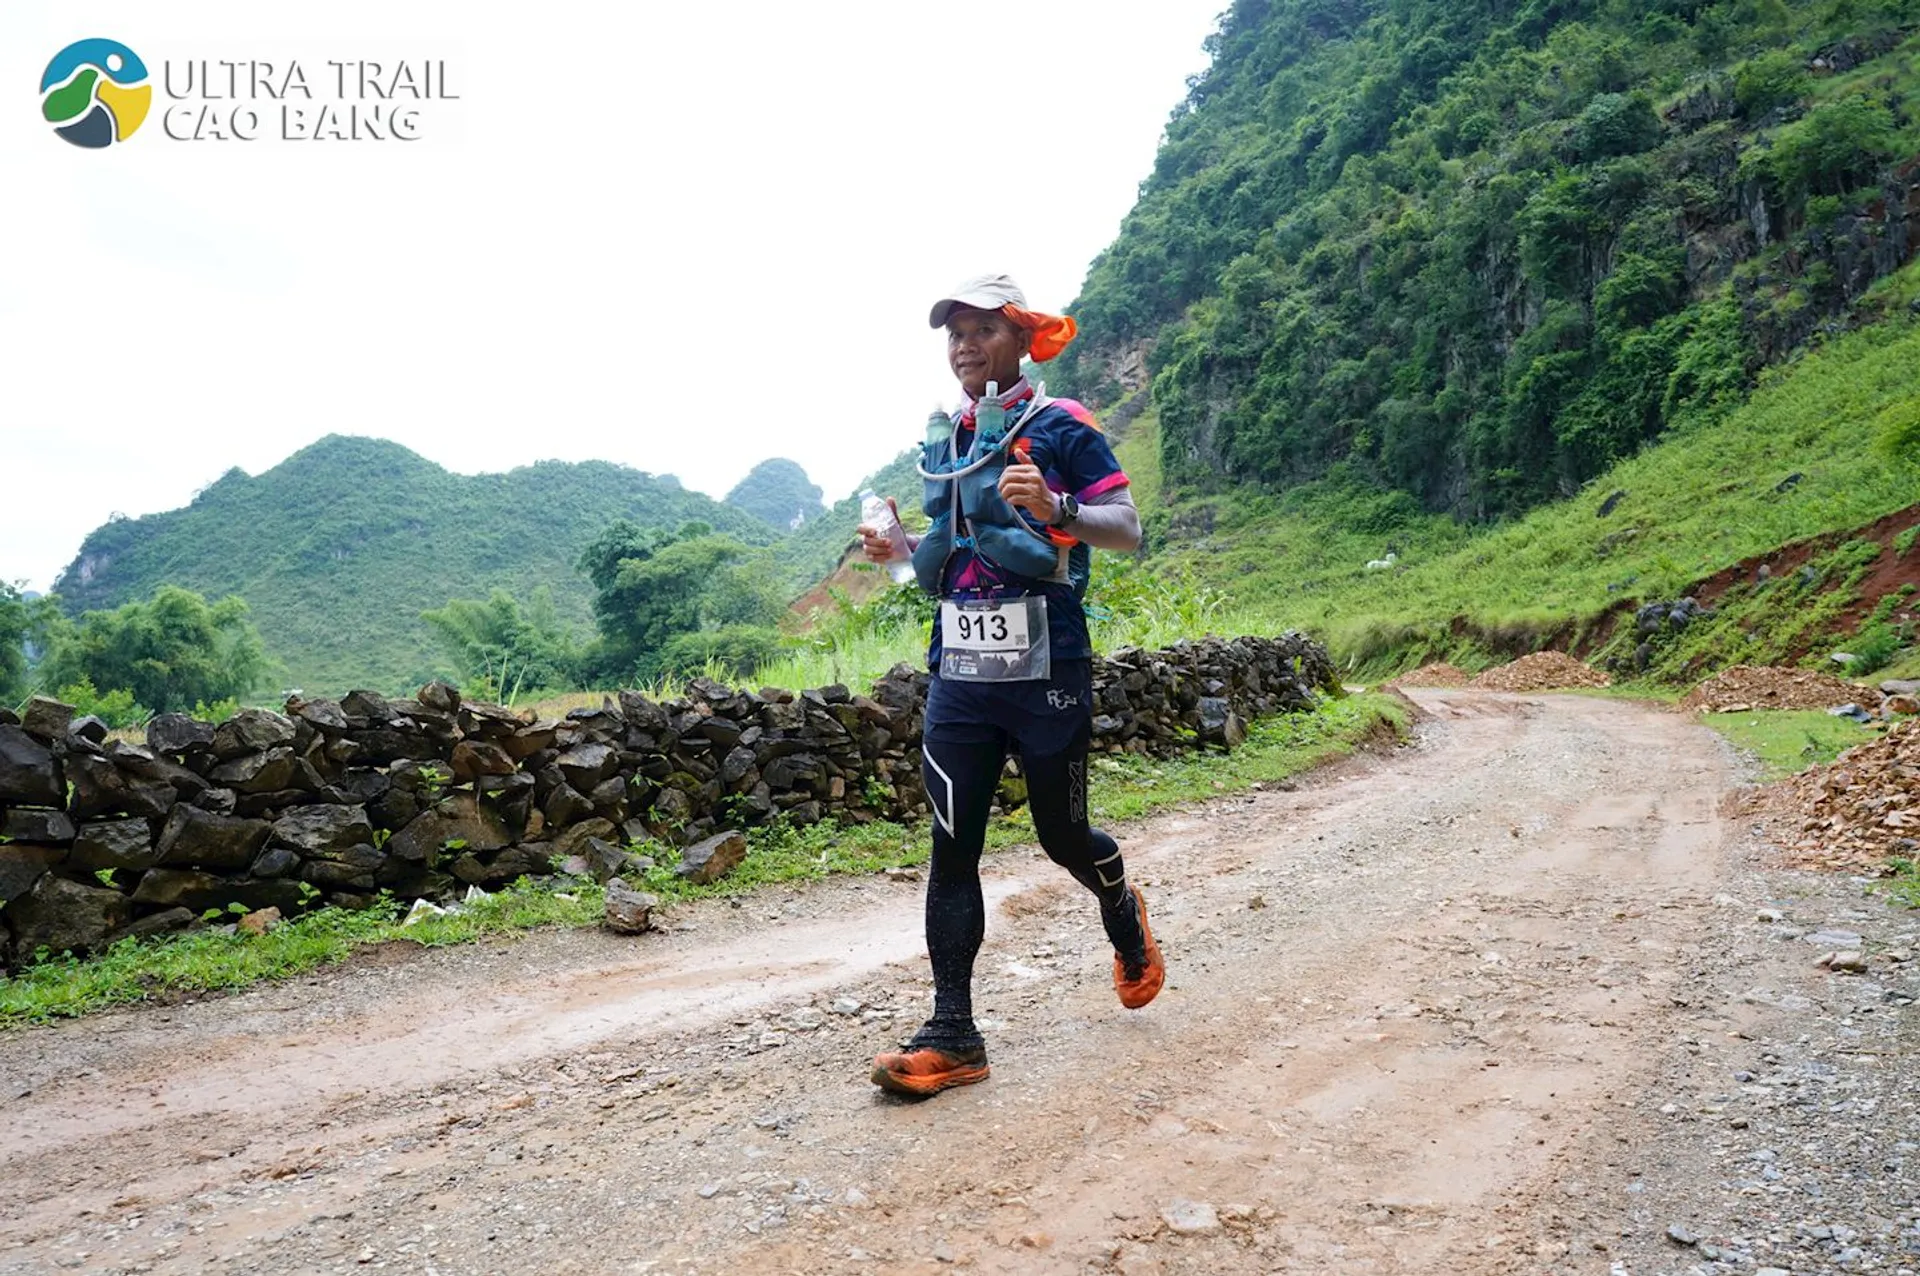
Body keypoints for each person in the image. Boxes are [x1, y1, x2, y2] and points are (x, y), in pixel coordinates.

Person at [858, 273, 1165, 1099]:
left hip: (1047, 669)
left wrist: (1060, 502)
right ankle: (953, 1033)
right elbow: (947, 549)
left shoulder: (1063, 426)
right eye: (952, 331)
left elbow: (1127, 528)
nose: (963, 343)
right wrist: (897, 551)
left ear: (1024, 338)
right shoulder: (948, 440)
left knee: (1064, 835)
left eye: (981, 328)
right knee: (951, 846)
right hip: (959, 671)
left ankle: (1123, 913)